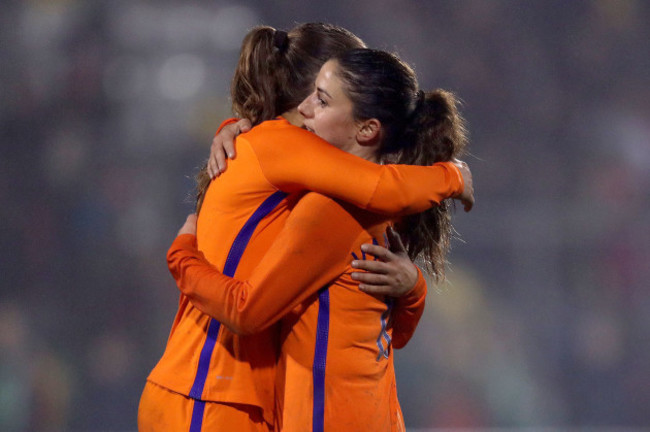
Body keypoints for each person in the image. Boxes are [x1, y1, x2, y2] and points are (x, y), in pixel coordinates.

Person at [139, 23, 473, 432]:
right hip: (211, 391)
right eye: (316, 95)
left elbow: (381, 333)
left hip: (234, 397)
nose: (311, 109)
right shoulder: (334, 193)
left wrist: (412, 289)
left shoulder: (338, 197)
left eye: (325, 99)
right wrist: (451, 177)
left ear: (367, 125)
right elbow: (248, 309)